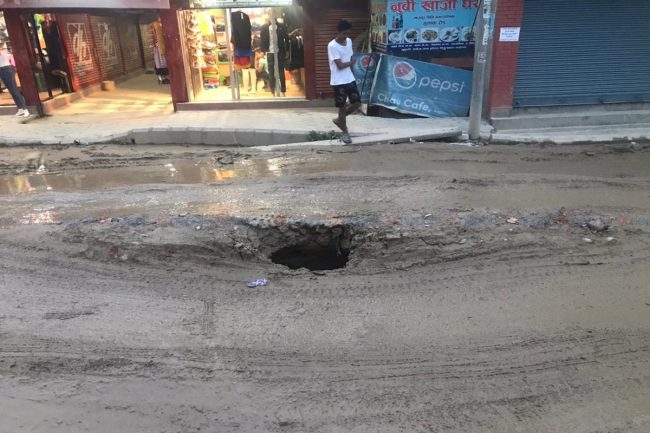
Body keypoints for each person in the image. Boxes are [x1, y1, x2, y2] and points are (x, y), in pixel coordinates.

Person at [327, 19, 360, 144]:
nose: (345, 36)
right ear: (338, 32)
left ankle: (339, 120)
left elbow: (350, 57)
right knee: (342, 107)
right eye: (344, 33)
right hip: (338, 81)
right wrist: (351, 63)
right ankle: (345, 133)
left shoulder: (349, 41)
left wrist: (353, 73)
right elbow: (340, 65)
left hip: (349, 78)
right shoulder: (332, 46)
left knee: (357, 103)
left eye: (347, 33)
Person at [0, 43, 29, 117]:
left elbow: (14, 63)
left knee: (14, 90)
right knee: (11, 90)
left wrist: (14, 69)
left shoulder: (7, 55)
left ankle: (25, 109)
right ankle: (20, 108)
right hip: (2, 70)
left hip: (7, 69)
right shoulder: (6, 55)